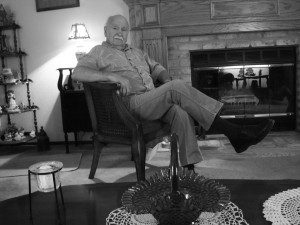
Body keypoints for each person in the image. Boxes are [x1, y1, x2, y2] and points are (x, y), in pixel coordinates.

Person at [72, 15, 274, 171]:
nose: (120, 32)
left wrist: (166, 80)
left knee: (180, 111)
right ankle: (234, 132)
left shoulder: (136, 51)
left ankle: (188, 168)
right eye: (115, 28)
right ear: (105, 30)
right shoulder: (98, 52)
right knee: (177, 88)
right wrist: (113, 77)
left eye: (124, 29)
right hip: (128, 106)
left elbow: (157, 68)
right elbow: (78, 72)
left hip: (151, 101)